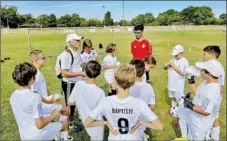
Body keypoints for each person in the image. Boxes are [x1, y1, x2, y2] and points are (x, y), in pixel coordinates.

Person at [84, 65, 163, 140]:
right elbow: (159, 127)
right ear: (132, 82)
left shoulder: (106, 102)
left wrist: (106, 123)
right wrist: (140, 122)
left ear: (116, 82)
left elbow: (87, 123)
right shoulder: (139, 103)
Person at [10, 62, 72, 140]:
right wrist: (53, 114)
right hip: (37, 135)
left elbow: (30, 110)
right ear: (31, 79)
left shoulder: (13, 96)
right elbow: (40, 124)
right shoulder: (35, 97)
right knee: (65, 124)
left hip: (24, 136)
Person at [186, 45, 225, 140]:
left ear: (212, 55)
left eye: (205, 54)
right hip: (199, 114)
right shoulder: (206, 80)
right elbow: (199, 93)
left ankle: (214, 138)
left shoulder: (217, 70)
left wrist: (214, 102)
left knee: (214, 119)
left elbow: (220, 87)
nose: (203, 56)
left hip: (211, 103)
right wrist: (190, 79)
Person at [68, 60, 105, 141]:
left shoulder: (78, 84)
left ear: (84, 71)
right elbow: (104, 111)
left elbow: (70, 101)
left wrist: (81, 103)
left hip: (85, 120)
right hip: (96, 124)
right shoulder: (100, 92)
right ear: (98, 74)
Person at [30, 50, 69, 118]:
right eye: (43, 58)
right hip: (42, 106)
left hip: (46, 101)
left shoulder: (38, 72)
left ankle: (61, 125)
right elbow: (33, 94)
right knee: (66, 110)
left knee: (62, 104)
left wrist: (51, 95)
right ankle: (63, 126)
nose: (45, 59)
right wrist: (49, 101)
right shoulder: (35, 75)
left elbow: (43, 88)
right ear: (36, 60)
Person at [58, 33, 86, 125]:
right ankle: (68, 122)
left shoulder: (76, 52)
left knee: (76, 102)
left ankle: (71, 119)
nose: (79, 42)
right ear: (69, 42)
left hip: (77, 82)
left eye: (79, 40)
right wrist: (80, 73)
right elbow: (64, 73)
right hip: (70, 83)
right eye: (77, 40)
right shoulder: (66, 55)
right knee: (70, 104)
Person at [129, 59, 156, 140]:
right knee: (139, 130)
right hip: (143, 117)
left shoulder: (127, 86)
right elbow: (153, 106)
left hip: (130, 116)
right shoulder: (149, 87)